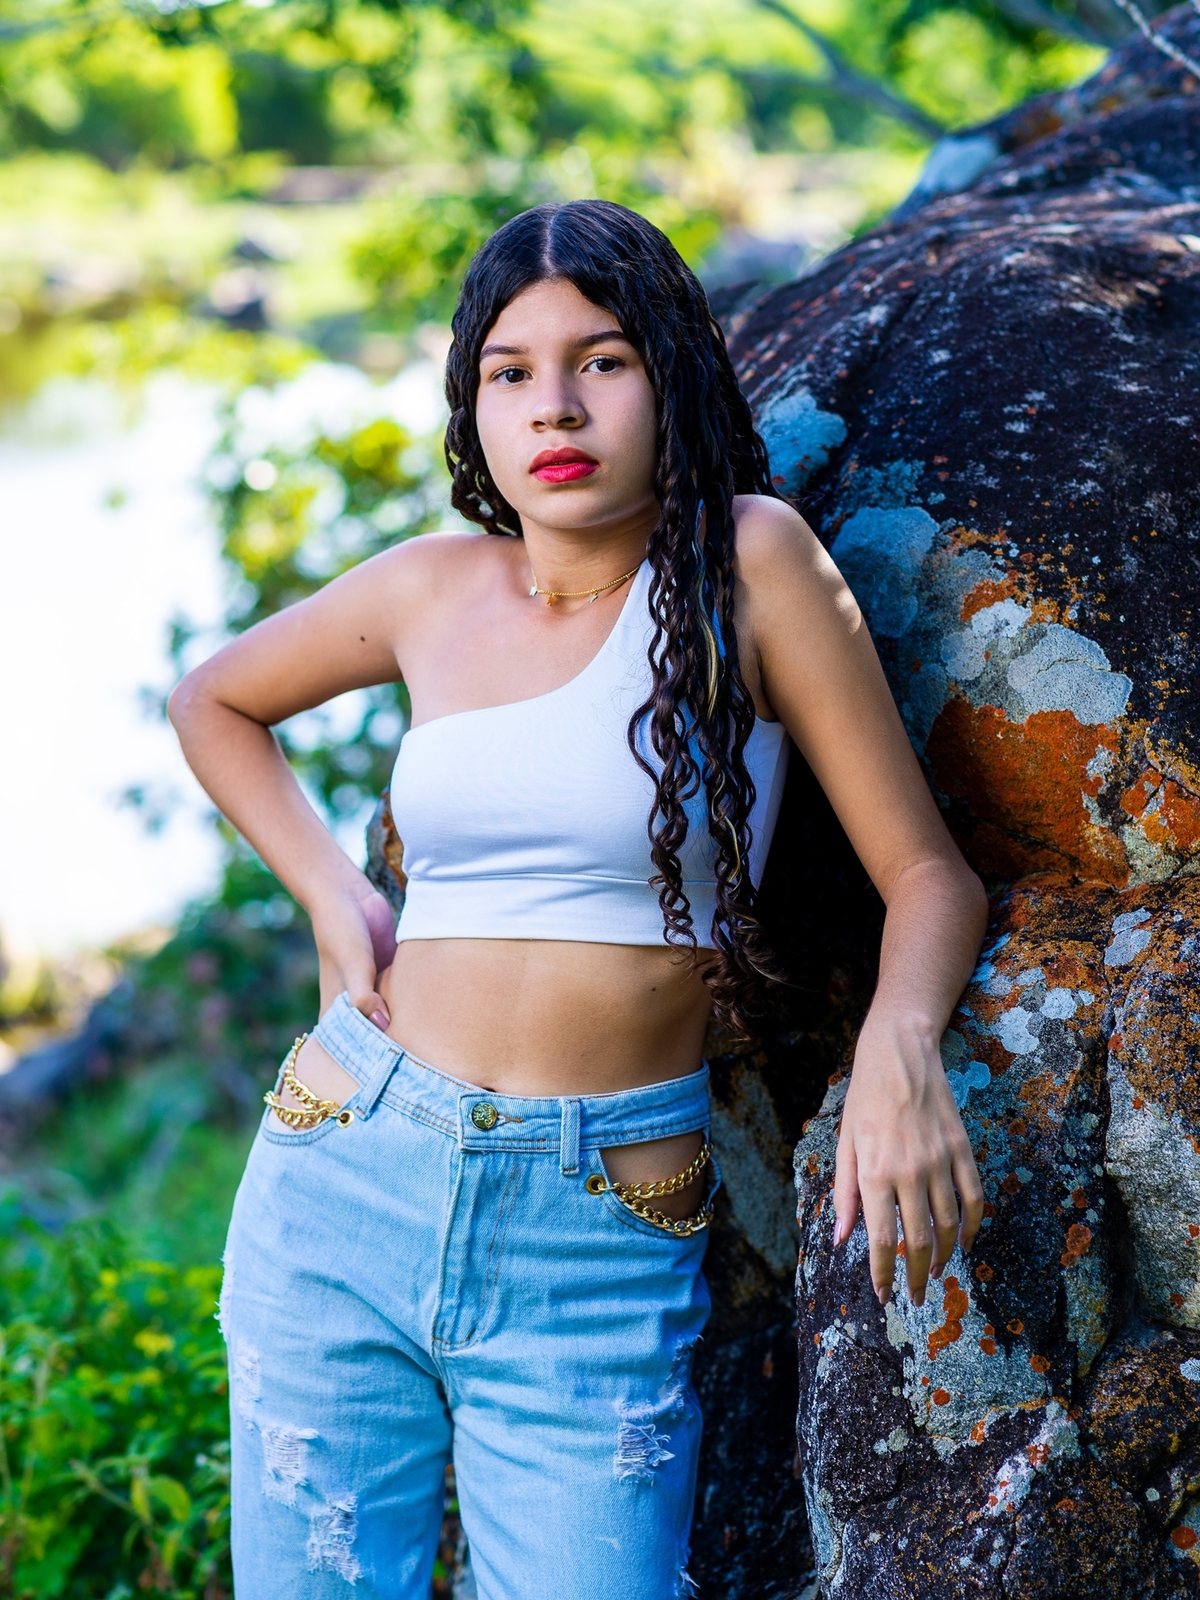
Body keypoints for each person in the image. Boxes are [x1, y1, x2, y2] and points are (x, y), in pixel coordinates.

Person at [169, 198, 987, 1600]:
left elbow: (928, 876)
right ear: (472, 408)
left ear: (670, 374)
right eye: (511, 371)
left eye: (602, 361)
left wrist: (898, 1051)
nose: (556, 404)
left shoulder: (753, 568)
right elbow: (214, 701)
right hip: (345, 1164)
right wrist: (333, 900)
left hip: (596, 1222)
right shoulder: (433, 588)